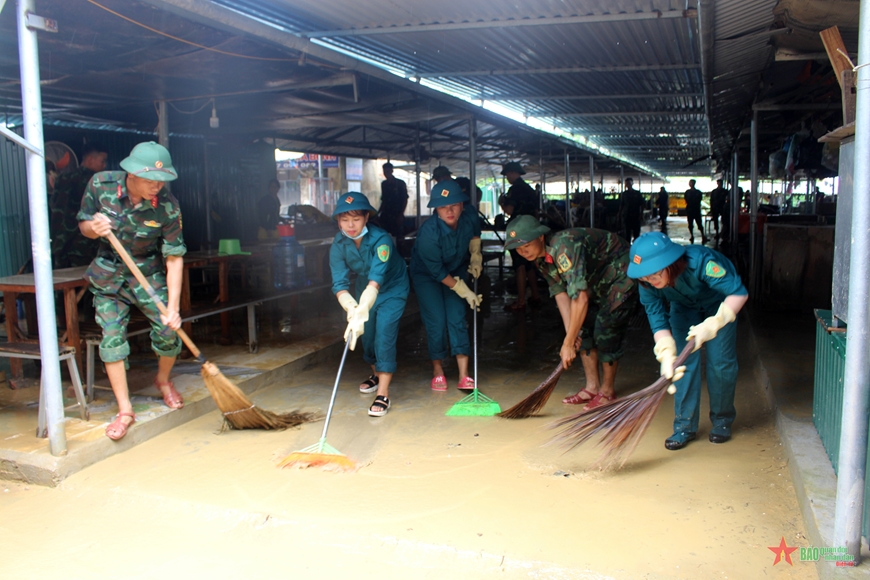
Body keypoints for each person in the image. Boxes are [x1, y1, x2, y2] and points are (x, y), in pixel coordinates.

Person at [77, 142, 185, 441]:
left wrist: (173, 308)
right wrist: (93, 227)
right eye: (151, 180)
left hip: (148, 276)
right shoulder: (101, 184)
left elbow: (174, 257)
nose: (157, 187)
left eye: (162, 181)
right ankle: (125, 410)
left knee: (168, 332)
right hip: (109, 275)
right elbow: (83, 224)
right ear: (131, 173)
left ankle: (163, 381)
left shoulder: (168, 206)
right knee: (112, 338)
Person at [627, 232, 748, 450]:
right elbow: (657, 320)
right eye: (644, 277)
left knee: (720, 363)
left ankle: (722, 421)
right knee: (680, 365)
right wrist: (665, 351)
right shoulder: (646, 285)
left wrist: (715, 323)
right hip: (684, 309)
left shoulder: (701, 262)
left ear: (670, 263)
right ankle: (684, 426)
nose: (650, 281)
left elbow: (738, 293)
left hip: (720, 306)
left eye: (654, 274)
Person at [505, 215, 639, 410]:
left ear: (541, 237)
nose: (522, 251)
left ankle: (607, 391)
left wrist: (568, 343)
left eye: (526, 244)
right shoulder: (540, 260)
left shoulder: (563, 247)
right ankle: (592, 388)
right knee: (581, 328)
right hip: (596, 280)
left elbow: (580, 297)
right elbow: (560, 293)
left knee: (606, 328)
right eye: (517, 248)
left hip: (620, 274)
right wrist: (571, 334)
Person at [330, 192, 409, 417]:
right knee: (370, 334)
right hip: (364, 289)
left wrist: (364, 306)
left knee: (384, 332)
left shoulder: (381, 239)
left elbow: (377, 279)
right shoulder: (338, 244)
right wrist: (351, 308)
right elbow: (339, 283)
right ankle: (376, 372)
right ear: (338, 221)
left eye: (356, 218)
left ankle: (382, 393)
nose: (350, 225)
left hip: (391, 287)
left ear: (366, 217)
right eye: (345, 219)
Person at [410, 180, 483, 392]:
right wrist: (464, 291)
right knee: (437, 319)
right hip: (428, 275)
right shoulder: (428, 234)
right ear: (436, 209)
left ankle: (464, 374)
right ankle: (438, 370)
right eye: (443, 206)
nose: (449, 211)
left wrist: (476, 255)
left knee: (457, 315)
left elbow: (475, 234)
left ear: (462, 205)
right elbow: (438, 272)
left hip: (457, 267)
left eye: (454, 205)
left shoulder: (468, 217)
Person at [50, 142, 108, 268]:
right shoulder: (96, 182)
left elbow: (53, 205)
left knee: (62, 279)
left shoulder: (62, 178)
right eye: (102, 161)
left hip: (60, 240)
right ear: (90, 160)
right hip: (83, 243)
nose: (105, 165)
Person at [501, 161, 542, 311]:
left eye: (507, 175)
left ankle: (520, 301)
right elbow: (537, 213)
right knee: (529, 263)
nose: (507, 178)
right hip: (531, 229)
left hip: (517, 230)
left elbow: (510, 211)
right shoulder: (530, 190)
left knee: (519, 265)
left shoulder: (514, 190)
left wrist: (501, 204)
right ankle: (535, 296)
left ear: (512, 173)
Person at [378, 162, 409, 252]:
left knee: (399, 238)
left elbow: (404, 199)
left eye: (388, 171)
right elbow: (384, 200)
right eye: (384, 171)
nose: (386, 173)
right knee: (384, 236)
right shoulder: (384, 184)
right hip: (386, 215)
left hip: (396, 214)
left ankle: (400, 256)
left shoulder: (400, 184)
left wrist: (400, 214)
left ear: (392, 171)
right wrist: (378, 213)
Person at [618, 178, 644, 243]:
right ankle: (628, 246)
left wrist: (641, 213)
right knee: (627, 232)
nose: (628, 185)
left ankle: (636, 245)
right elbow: (622, 204)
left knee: (636, 232)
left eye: (629, 183)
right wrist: (619, 213)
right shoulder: (624, 194)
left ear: (632, 183)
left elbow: (642, 204)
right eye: (627, 183)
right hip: (627, 215)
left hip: (636, 215)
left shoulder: (637, 194)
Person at [684, 179, 708, 245]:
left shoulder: (689, 192)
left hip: (694, 209)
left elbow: (687, 200)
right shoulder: (696, 192)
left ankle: (700, 235)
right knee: (691, 224)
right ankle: (697, 235)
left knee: (698, 223)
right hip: (693, 209)